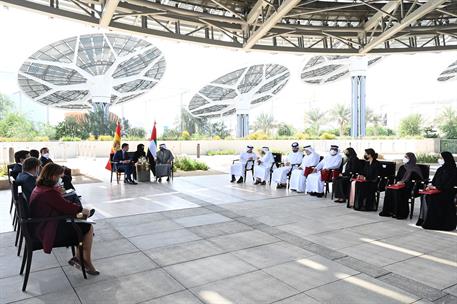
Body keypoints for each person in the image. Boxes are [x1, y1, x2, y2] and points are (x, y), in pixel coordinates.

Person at [29, 163, 98, 275]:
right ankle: (85, 261)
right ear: (53, 177)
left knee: (82, 223)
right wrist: (82, 209)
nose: (61, 179)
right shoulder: (49, 193)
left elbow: (59, 206)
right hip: (47, 230)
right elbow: (67, 208)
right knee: (87, 227)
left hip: (42, 224)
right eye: (60, 177)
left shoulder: (40, 187)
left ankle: (79, 257)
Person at [416, 151, 457, 231]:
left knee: (434, 199)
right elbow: (434, 181)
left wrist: (436, 187)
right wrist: (430, 186)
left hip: (447, 192)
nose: (440, 159)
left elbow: (450, 184)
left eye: (441, 158)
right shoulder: (440, 169)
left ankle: (437, 223)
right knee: (425, 196)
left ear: (446, 159)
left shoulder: (454, 170)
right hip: (437, 190)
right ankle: (426, 219)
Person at [379, 152, 423, 219]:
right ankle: (389, 211)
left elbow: (417, 181)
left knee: (399, 192)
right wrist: (398, 183)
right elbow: (398, 178)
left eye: (406, 157)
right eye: (404, 156)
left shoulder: (415, 168)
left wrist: (404, 183)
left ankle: (400, 213)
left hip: (410, 187)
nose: (404, 158)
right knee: (389, 190)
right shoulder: (402, 167)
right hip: (400, 186)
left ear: (411, 159)